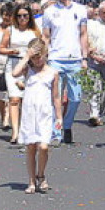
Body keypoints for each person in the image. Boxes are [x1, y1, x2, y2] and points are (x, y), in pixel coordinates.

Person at [42, 0, 88, 145]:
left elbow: (83, 34)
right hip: (56, 59)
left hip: (74, 59)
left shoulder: (80, 9)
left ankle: (67, 125)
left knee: (76, 98)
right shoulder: (49, 12)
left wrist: (84, 57)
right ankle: (56, 132)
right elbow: (46, 37)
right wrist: (44, 58)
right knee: (56, 99)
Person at [11, 38, 62, 194]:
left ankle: (41, 174)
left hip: (45, 113)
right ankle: (31, 180)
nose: (37, 61)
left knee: (44, 146)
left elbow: (56, 97)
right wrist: (26, 57)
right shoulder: (28, 69)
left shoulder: (53, 73)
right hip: (29, 113)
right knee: (31, 147)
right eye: (34, 58)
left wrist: (59, 117)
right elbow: (14, 73)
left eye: (39, 57)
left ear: (45, 54)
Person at [0, 3, 40, 144]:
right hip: (13, 64)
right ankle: (15, 132)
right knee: (14, 99)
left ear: (30, 17)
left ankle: (24, 129)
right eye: (19, 16)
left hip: (29, 66)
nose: (22, 18)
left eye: (25, 16)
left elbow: (41, 48)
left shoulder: (34, 31)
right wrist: (11, 51)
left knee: (26, 100)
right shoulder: (10, 30)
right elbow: (1, 48)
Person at [85, 0, 105, 126]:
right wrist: (92, 55)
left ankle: (100, 112)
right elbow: (85, 41)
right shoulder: (91, 25)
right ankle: (94, 114)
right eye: (104, 12)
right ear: (99, 12)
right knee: (94, 88)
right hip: (93, 60)